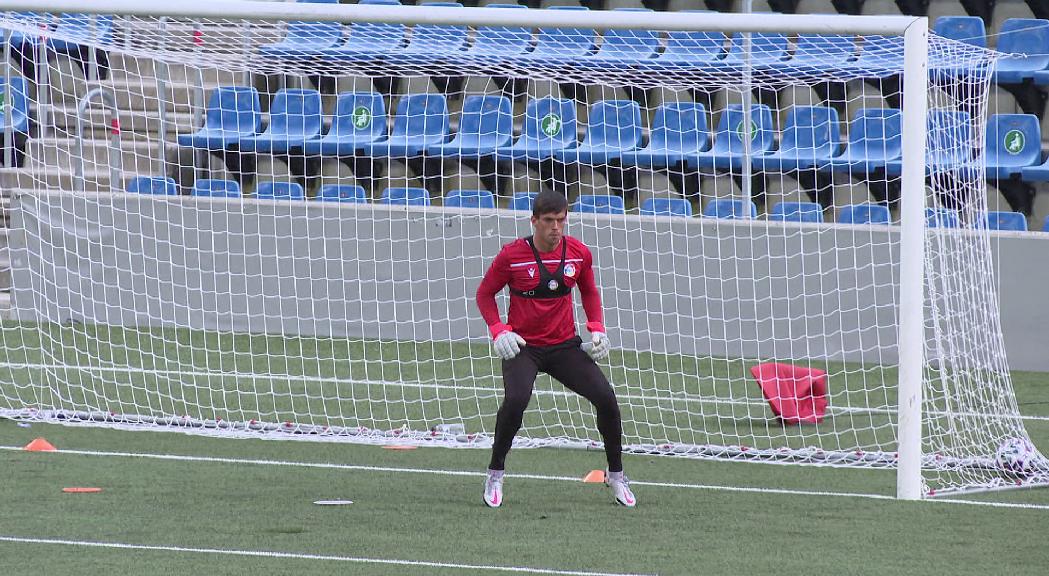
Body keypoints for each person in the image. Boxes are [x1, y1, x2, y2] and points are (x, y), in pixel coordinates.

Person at [474, 190, 636, 508]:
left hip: (564, 346)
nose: (556, 227)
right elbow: (484, 294)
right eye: (549, 221)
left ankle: (616, 475)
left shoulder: (578, 253)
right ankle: (495, 472)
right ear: (534, 221)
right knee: (516, 401)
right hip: (523, 347)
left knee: (606, 398)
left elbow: (589, 290)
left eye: (561, 220)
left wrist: (597, 327)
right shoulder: (511, 256)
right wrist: (498, 330)